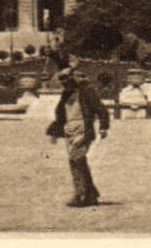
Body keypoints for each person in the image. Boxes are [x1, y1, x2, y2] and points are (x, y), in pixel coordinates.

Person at [47, 63, 110, 207]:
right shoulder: (65, 95)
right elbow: (60, 115)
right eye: (61, 81)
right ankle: (90, 194)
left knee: (77, 159)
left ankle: (80, 195)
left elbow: (101, 110)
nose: (64, 83)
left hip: (83, 131)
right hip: (69, 132)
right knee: (76, 161)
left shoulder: (86, 92)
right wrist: (55, 133)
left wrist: (103, 127)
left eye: (66, 79)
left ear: (73, 79)